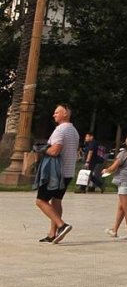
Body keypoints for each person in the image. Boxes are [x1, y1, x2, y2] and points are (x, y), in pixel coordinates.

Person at [35, 104, 79, 243]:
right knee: (56, 201)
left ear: (65, 114)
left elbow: (55, 151)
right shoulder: (73, 130)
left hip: (55, 173)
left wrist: (42, 149)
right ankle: (52, 234)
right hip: (68, 171)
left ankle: (62, 225)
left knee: (41, 201)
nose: (54, 115)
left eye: (56, 112)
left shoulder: (60, 130)